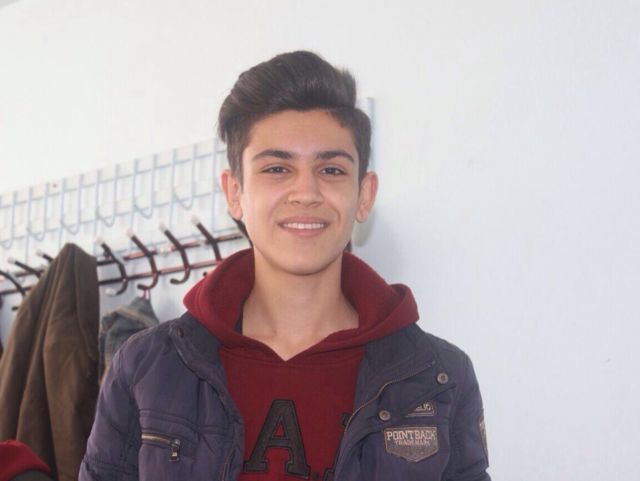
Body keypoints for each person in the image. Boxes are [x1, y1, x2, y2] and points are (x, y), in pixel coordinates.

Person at [80, 51, 490, 481]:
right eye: (277, 168)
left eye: (331, 169)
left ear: (364, 195)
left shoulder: (438, 377)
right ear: (234, 192)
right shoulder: (146, 368)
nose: (306, 192)